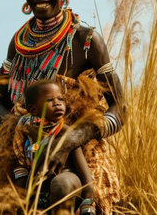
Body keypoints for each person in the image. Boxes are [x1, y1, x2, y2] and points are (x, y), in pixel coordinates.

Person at [0, 0, 125, 214]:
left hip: (76, 150)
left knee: (65, 188)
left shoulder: (86, 40)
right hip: (23, 147)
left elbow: (121, 108)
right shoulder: (19, 41)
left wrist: (75, 135)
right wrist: (19, 124)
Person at [13, 80, 96, 215]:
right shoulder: (26, 131)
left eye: (60, 99)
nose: (57, 103)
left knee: (61, 183)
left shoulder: (66, 133)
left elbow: (85, 174)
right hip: (38, 190)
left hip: (65, 182)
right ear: (33, 109)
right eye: (50, 100)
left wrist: (88, 200)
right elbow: (21, 165)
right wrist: (21, 198)